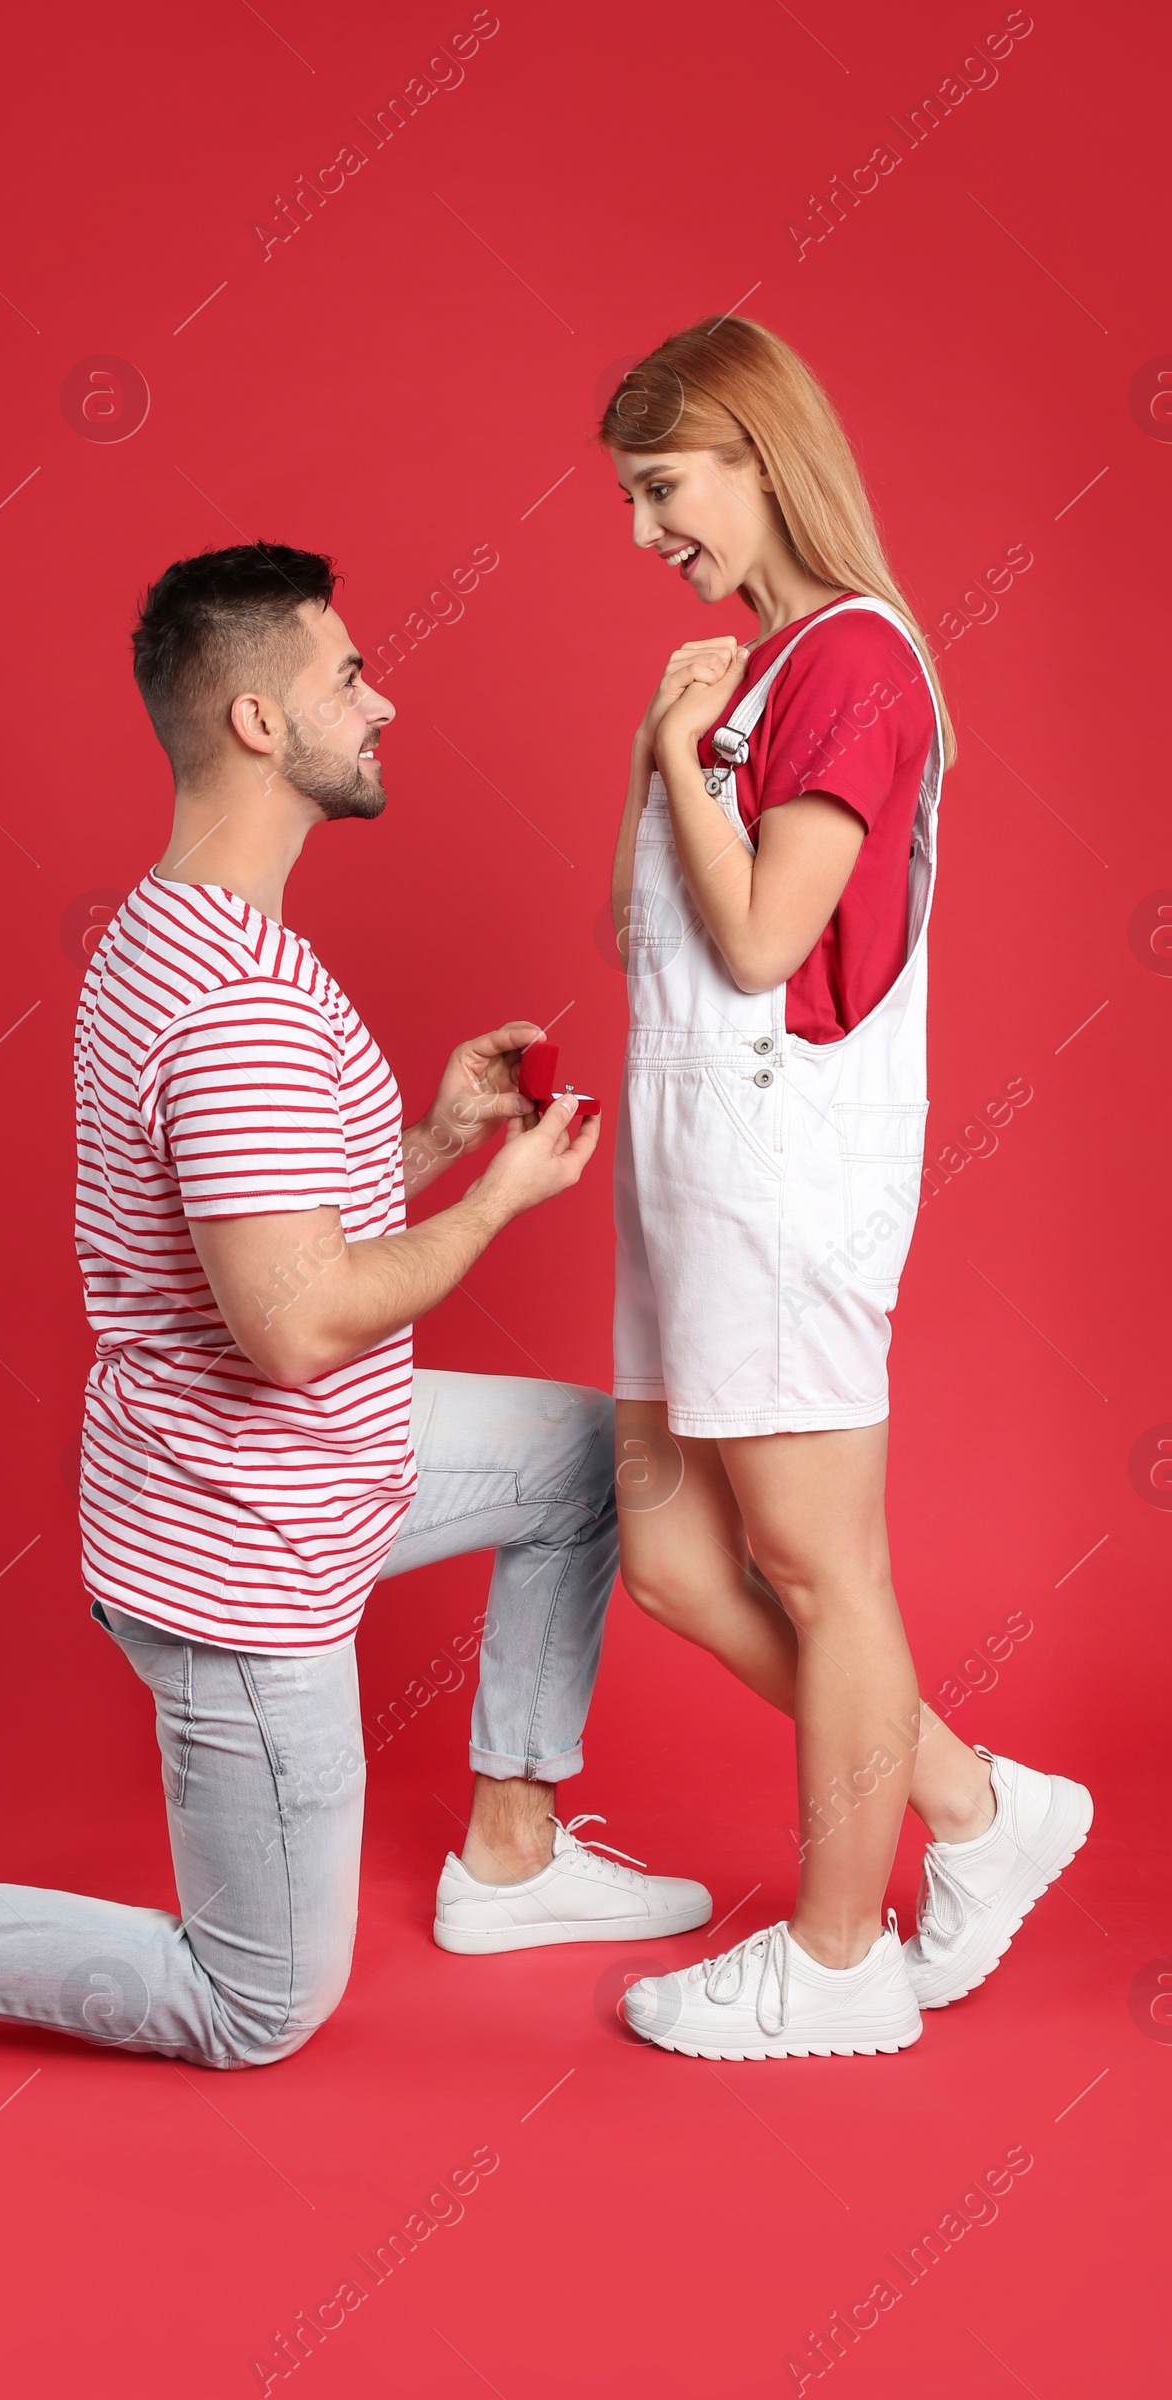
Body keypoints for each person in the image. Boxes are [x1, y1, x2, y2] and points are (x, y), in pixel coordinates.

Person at [0, 541, 710, 2068]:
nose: (382, 701)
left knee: (588, 1461)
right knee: (257, 2004)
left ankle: (512, 1854)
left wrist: (431, 1141)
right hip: (245, 1545)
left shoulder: (181, 929)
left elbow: (253, 1234)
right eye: (347, 675)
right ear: (261, 721)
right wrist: (497, 1204)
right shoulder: (234, 1000)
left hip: (311, 1466)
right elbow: (296, 1321)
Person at [601, 319, 1091, 2061]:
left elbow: (761, 937)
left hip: (780, 1165)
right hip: (686, 1173)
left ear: (756, 451)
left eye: (665, 487)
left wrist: (671, 753)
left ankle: (833, 1961)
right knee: (668, 1556)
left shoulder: (852, 668)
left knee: (821, 1569)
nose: (648, 530)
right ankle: (972, 1806)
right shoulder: (760, 665)